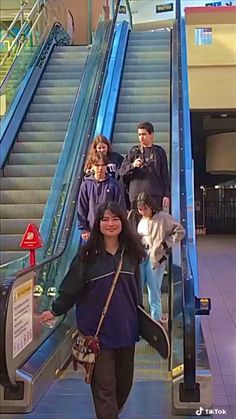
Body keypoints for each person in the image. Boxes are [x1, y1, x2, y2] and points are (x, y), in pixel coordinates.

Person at [39, 201, 145, 419]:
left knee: (123, 387)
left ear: (123, 222)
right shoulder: (87, 256)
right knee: (104, 389)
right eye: (105, 219)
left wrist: (144, 323)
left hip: (126, 331)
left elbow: (136, 293)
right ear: (97, 224)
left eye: (115, 219)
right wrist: (55, 310)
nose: (110, 224)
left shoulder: (131, 255)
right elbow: (70, 287)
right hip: (97, 337)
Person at [128, 192, 185, 322]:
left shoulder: (163, 217)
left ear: (150, 206)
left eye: (145, 209)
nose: (142, 212)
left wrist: (165, 244)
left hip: (156, 258)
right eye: (140, 209)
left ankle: (156, 322)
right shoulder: (140, 219)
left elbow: (180, 231)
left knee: (154, 292)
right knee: (138, 289)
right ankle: (140, 321)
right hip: (141, 255)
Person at [119, 121, 170, 210]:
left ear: (151, 135)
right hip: (136, 196)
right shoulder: (134, 151)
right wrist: (133, 165)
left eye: (144, 134)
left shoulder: (159, 151)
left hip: (155, 195)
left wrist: (166, 194)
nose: (141, 137)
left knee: (155, 223)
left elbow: (165, 175)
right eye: (139, 135)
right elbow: (122, 171)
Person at [77, 152, 126, 241]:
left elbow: (120, 207)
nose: (100, 168)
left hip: (110, 229)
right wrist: (83, 228)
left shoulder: (114, 184)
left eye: (103, 165)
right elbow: (82, 208)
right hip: (91, 229)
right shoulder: (86, 185)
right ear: (92, 166)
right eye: (97, 165)